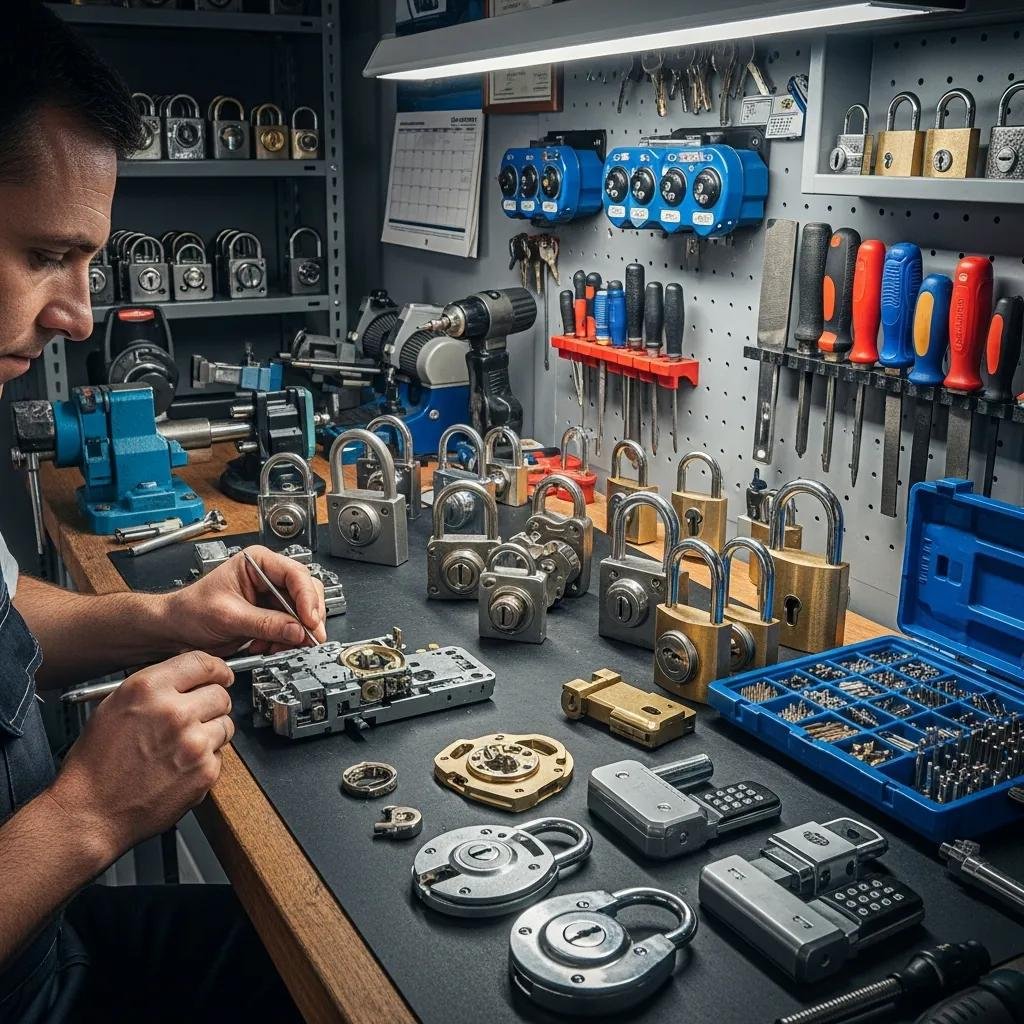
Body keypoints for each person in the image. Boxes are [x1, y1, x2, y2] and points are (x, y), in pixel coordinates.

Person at [0, 6, 320, 1021]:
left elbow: (5, 626)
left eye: (87, 262)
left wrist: (170, 616)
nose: (79, 315)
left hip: (49, 950)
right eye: (43, 254)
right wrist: (88, 814)